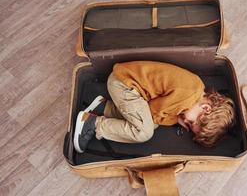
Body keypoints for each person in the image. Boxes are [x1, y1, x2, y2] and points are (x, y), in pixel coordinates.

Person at [73, 61, 235, 153]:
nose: (186, 122)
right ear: (206, 108)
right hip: (124, 85)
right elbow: (153, 112)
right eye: (192, 123)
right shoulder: (186, 97)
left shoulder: (197, 88)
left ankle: (104, 108)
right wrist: (177, 119)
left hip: (125, 83)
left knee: (148, 123)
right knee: (144, 132)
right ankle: (93, 124)